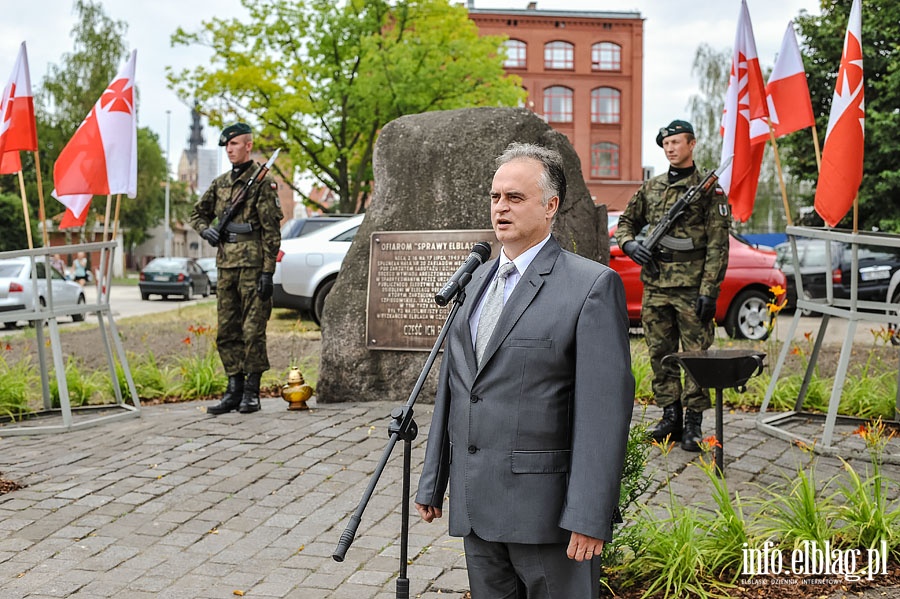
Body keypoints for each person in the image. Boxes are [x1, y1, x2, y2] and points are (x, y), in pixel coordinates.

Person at [415, 143, 634, 598]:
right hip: (477, 510)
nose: (500, 207)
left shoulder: (590, 286)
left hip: (548, 519)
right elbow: (457, 386)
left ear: (550, 206)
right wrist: (434, 479)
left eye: (514, 197)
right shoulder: (473, 281)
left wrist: (590, 515)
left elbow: (603, 413)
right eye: (495, 197)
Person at [614, 119, 730, 452]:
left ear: (692, 144)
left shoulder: (709, 190)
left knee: (695, 357)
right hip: (656, 286)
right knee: (660, 355)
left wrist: (710, 290)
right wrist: (629, 245)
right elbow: (626, 222)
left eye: (677, 142)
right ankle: (670, 417)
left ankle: (694, 423)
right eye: (666, 144)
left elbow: (718, 245)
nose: (670, 148)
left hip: (692, 288)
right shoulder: (652, 188)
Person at [189, 123, 282, 415]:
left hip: (253, 266)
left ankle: (251, 391)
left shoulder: (263, 183)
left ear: (248, 146)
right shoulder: (219, 184)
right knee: (227, 330)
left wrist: (268, 272)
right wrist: (206, 232)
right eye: (226, 146)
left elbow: (271, 231)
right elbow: (196, 213)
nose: (229, 149)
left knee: (253, 331)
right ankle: (234, 389)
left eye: (235, 144)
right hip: (226, 266)